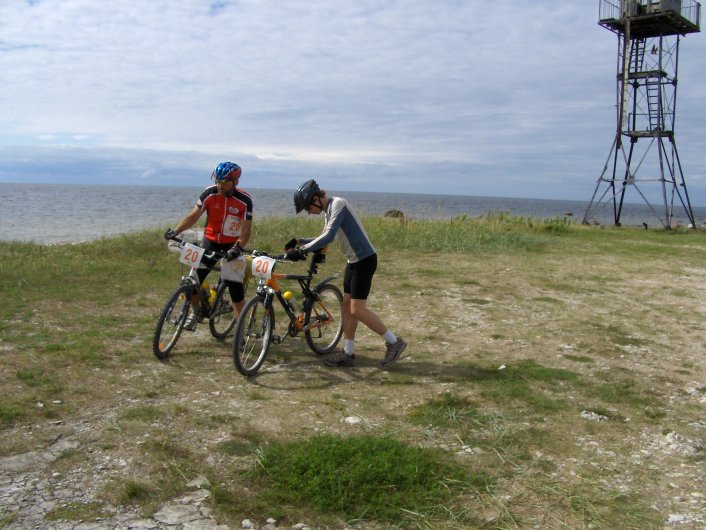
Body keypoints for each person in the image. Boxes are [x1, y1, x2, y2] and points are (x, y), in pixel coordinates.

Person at [285, 179, 406, 367]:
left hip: (365, 260)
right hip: (353, 262)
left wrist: (302, 250)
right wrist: (300, 241)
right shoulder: (329, 211)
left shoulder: (338, 204)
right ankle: (348, 353)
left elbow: (328, 236)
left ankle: (394, 342)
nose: (308, 212)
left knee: (357, 309)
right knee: (347, 307)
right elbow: (324, 237)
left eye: (308, 207)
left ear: (316, 198)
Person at [164, 162, 253, 330]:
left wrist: (237, 248)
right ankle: (196, 312)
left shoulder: (244, 201)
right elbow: (193, 216)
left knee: (236, 291)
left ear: (235, 182)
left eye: (224, 182)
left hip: (232, 246)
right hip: (210, 242)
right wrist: (176, 231)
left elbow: (246, 232)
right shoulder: (209, 194)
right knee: (193, 282)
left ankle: (240, 332)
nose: (219, 185)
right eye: (217, 181)